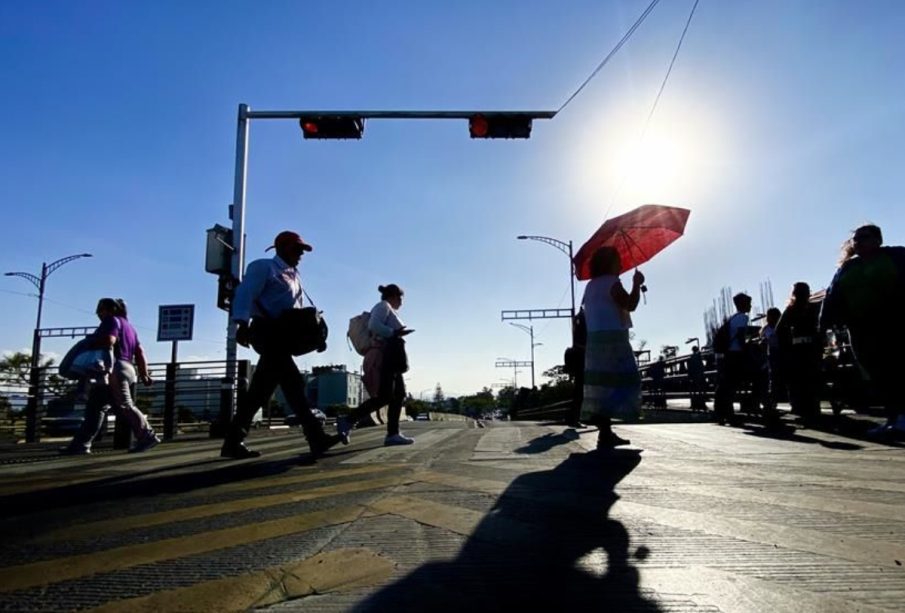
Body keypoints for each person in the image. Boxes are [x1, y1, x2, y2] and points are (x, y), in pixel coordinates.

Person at [220, 231, 345, 459]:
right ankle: (316, 437)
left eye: (302, 251)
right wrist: (241, 323)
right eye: (296, 249)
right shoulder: (264, 267)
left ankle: (233, 441)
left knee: (261, 391)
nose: (300, 255)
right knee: (293, 385)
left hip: (282, 336)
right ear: (281, 248)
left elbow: (295, 312)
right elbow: (245, 294)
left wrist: (313, 337)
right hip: (266, 332)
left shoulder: (294, 275)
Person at [820, 224, 905, 436]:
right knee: (878, 373)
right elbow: (831, 296)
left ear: (878, 239)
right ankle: (894, 417)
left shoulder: (896, 255)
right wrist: (824, 323)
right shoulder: (847, 268)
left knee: (898, 369)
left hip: (894, 324)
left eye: (864, 237)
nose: (858, 242)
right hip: (860, 329)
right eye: (856, 239)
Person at [62, 298, 159, 454]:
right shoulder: (130, 328)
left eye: (100, 310)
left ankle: (147, 436)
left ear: (109, 310)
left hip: (115, 368)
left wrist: (89, 344)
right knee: (96, 407)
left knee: (125, 405)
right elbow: (140, 352)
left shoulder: (111, 321)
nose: (98, 314)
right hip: (128, 368)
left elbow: (109, 341)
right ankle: (80, 445)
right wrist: (144, 374)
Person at [579, 246, 644, 449]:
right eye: (617, 260)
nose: (621, 264)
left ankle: (605, 433)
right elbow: (630, 304)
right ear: (610, 263)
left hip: (595, 342)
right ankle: (610, 427)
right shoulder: (612, 283)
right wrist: (636, 285)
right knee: (626, 380)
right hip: (614, 339)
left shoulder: (590, 286)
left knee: (602, 387)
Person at [339, 284, 415, 446]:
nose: (401, 302)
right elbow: (374, 325)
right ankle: (348, 420)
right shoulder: (383, 306)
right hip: (386, 356)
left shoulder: (388, 309)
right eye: (400, 298)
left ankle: (393, 433)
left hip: (393, 358)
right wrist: (394, 332)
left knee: (399, 394)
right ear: (393, 297)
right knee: (385, 396)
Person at [776, 283, 822, 423]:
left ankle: (805, 407)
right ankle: (810, 407)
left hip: (800, 347)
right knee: (807, 377)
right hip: (807, 346)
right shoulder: (812, 307)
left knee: (802, 378)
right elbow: (780, 329)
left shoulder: (793, 309)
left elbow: (779, 329)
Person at [713, 292, 753, 425]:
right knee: (732, 385)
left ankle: (721, 413)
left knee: (725, 385)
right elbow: (741, 337)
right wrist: (746, 349)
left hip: (726, 354)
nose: (750, 306)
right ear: (743, 304)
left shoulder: (733, 318)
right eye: (749, 303)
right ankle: (729, 414)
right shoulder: (743, 317)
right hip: (734, 354)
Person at [687, 345, 707, 411]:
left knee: (695, 390)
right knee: (701, 390)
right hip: (700, 375)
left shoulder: (691, 357)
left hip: (694, 376)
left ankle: (695, 405)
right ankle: (702, 404)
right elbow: (701, 366)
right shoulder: (698, 356)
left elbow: (689, 368)